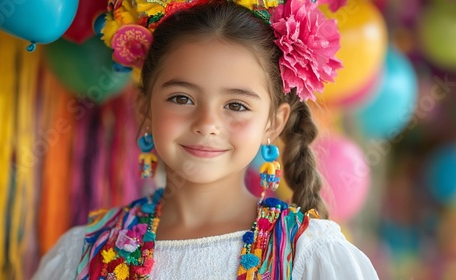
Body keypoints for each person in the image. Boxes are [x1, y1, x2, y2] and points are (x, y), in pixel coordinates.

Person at [33, 0, 379, 279]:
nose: (207, 124)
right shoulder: (86, 251)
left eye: (236, 105)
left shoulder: (308, 256)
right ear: (145, 109)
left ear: (273, 123)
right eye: (181, 98)